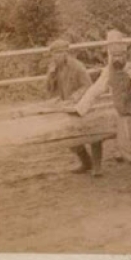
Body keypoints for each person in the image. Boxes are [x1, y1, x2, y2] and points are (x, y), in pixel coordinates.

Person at [75, 30, 131, 207]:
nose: (117, 58)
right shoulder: (108, 71)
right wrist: (80, 109)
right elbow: (95, 90)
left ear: (126, 54)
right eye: (113, 55)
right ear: (109, 55)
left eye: (120, 54)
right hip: (122, 116)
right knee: (126, 150)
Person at [44, 39, 103, 177]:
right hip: (67, 105)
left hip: (85, 103)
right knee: (69, 133)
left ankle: (97, 166)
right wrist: (51, 75)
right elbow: (48, 89)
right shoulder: (54, 68)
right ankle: (86, 162)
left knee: (94, 132)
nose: (57, 56)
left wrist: (75, 98)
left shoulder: (77, 66)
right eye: (54, 54)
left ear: (66, 53)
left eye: (60, 53)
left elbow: (88, 85)